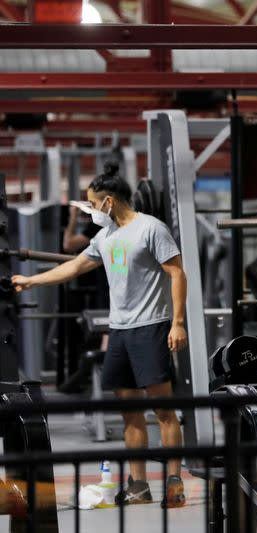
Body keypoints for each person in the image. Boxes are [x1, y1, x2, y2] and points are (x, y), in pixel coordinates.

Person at [12, 163, 189, 509]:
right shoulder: (105, 237)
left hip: (151, 326)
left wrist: (178, 323)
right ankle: (138, 486)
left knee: (164, 411)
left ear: (108, 201)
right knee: (129, 414)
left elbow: (177, 274)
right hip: (119, 331)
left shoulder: (151, 229)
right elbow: (75, 265)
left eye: (92, 204)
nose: (90, 210)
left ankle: (175, 482)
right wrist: (30, 281)